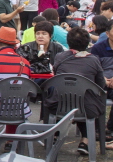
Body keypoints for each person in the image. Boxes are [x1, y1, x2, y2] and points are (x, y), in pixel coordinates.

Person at [45, 26, 107, 155]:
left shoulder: (60, 57)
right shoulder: (93, 60)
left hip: (59, 105)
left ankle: (54, 134)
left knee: (69, 96)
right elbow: (101, 85)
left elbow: (56, 76)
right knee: (84, 98)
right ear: (87, 43)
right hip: (86, 108)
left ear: (69, 42)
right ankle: (86, 139)